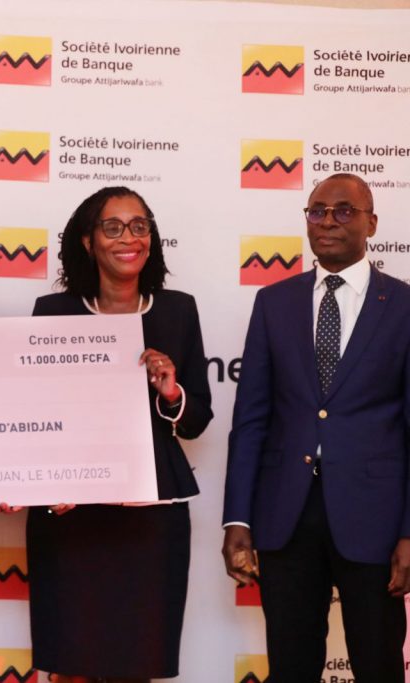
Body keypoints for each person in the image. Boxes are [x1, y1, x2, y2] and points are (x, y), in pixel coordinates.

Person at [223, 173, 410, 682]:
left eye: (344, 211)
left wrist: (408, 531)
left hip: (374, 520)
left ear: (372, 223)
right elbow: (251, 420)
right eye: (317, 211)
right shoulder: (274, 303)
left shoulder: (402, 306)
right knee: (290, 667)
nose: (328, 221)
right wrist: (237, 519)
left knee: (378, 666)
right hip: (286, 517)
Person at [28, 186, 212, 683]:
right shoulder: (54, 312)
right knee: (71, 664)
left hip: (151, 520)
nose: (128, 237)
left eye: (139, 225)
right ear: (88, 241)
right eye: (113, 227)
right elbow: (35, 413)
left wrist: (171, 392)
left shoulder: (177, 311)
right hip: (72, 518)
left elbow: (197, 419)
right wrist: (45, 480)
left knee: (137, 662)